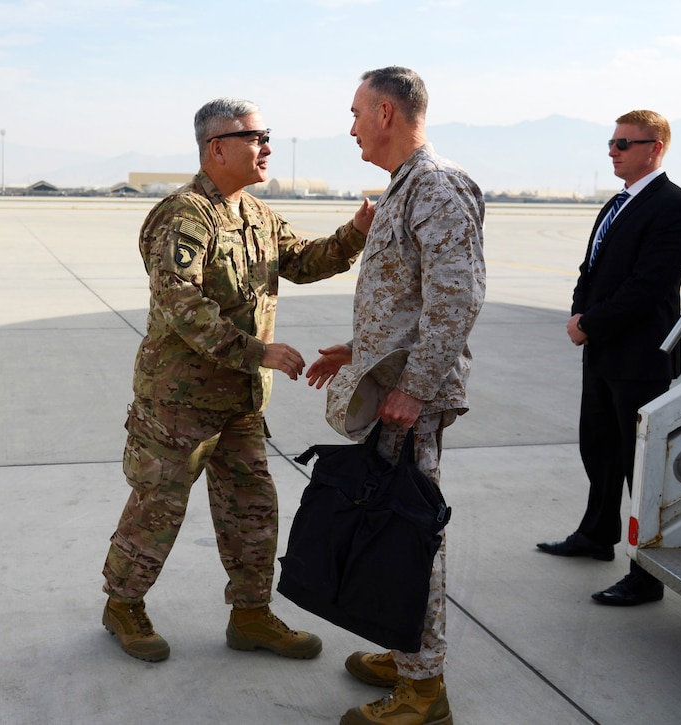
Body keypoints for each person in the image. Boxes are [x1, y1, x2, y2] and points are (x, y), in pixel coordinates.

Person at [100, 97, 375, 663]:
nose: (267, 146)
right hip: (178, 406)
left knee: (253, 510)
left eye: (267, 135)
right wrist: (257, 351)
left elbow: (303, 260)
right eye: (256, 136)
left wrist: (355, 232)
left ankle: (250, 615)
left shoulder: (255, 214)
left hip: (239, 404)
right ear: (216, 147)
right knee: (158, 509)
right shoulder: (183, 216)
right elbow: (183, 305)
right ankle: (123, 604)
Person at [306, 67, 485, 725]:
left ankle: (422, 691)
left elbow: (455, 300)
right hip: (393, 391)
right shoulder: (404, 188)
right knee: (389, 527)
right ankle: (405, 644)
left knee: (409, 533)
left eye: (355, 111)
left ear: (386, 112)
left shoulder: (434, 188)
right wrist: (356, 352)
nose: (350, 125)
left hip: (412, 400)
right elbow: (408, 302)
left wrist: (414, 387)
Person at [536, 111, 681, 606]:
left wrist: (590, 323)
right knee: (600, 450)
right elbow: (592, 267)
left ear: (656, 148)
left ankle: (646, 573)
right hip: (603, 353)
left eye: (624, 144)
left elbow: (647, 286)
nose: (613, 150)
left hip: (639, 357)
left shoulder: (675, 206)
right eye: (611, 142)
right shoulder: (618, 202)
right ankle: (596, 534)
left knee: (640, 467)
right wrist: (578, 311)